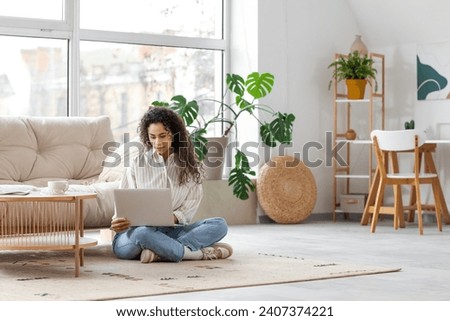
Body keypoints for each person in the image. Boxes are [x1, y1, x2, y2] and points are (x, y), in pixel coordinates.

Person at [110, 106, 232, 263]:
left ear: (174, 134)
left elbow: (190, 205)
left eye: (163, 136)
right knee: (143, 234)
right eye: (152, 137)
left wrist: (173, 217)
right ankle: (195, 253)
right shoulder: (136, 164)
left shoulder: (188, 167)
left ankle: (160, 251)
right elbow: (124, 205)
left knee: (219, 224)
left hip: (173, 231)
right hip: (135, 234)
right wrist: (117, 222)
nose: (157, 142)